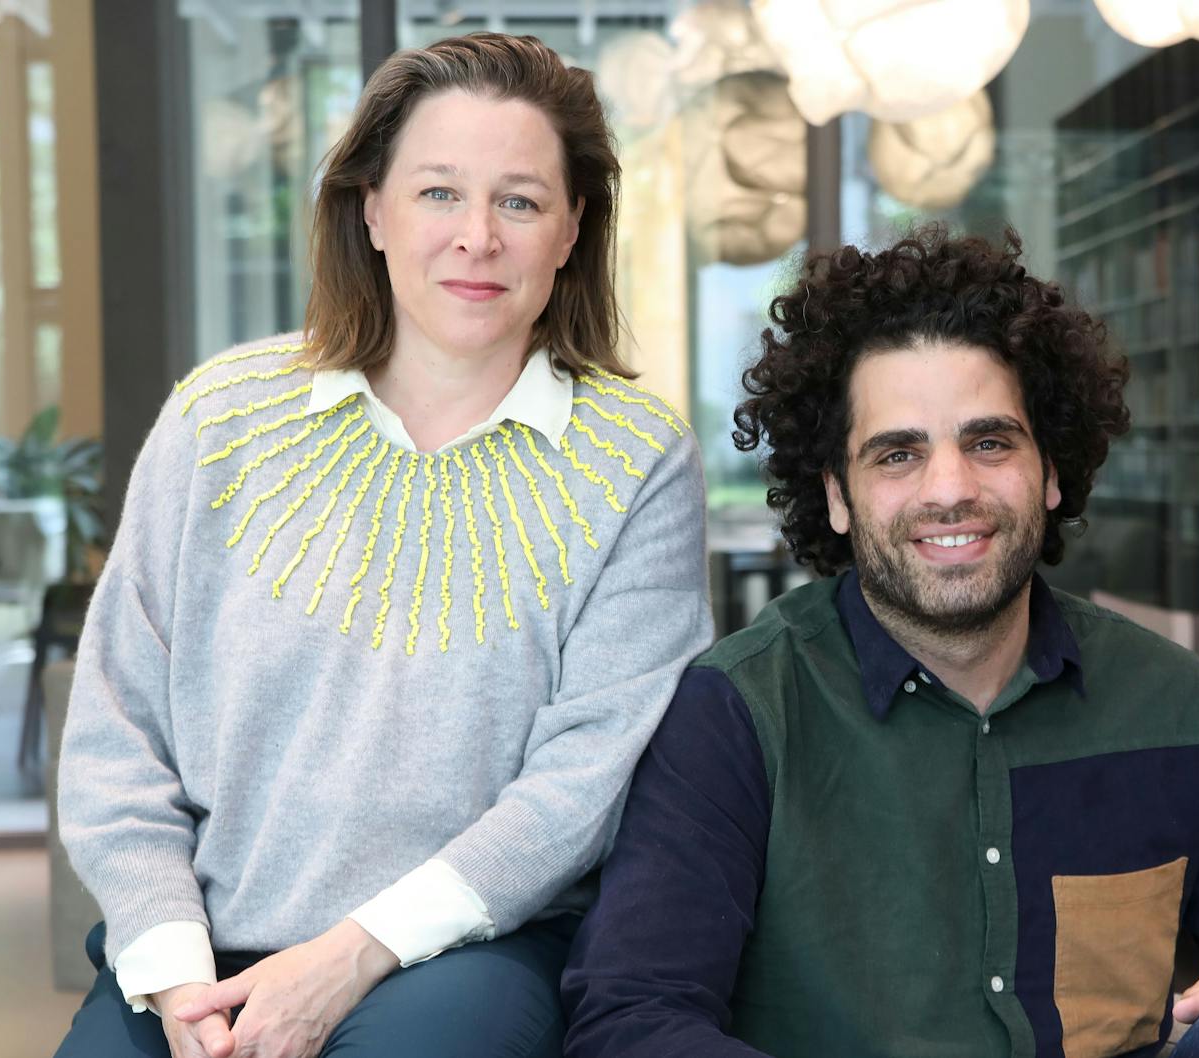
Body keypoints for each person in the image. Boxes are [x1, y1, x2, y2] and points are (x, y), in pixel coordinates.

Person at [562, 227, 1199, 1058]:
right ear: (838, 497)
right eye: (898, 454)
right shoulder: (739, 713)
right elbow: (632, 1015)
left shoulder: (1173, 700)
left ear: (1050, 471)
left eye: (989, 442)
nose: (950, 489)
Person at [55, 33, 711, 1058]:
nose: (477, 238)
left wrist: (350, 954)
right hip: (201, 944)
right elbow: (116, 733)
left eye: (521, 201)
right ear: (370, 207)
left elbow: (585, 779)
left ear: (573, 228)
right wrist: (177, 972)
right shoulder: (219, 416)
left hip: (466, 949)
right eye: (439, 192)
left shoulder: (636, 456)